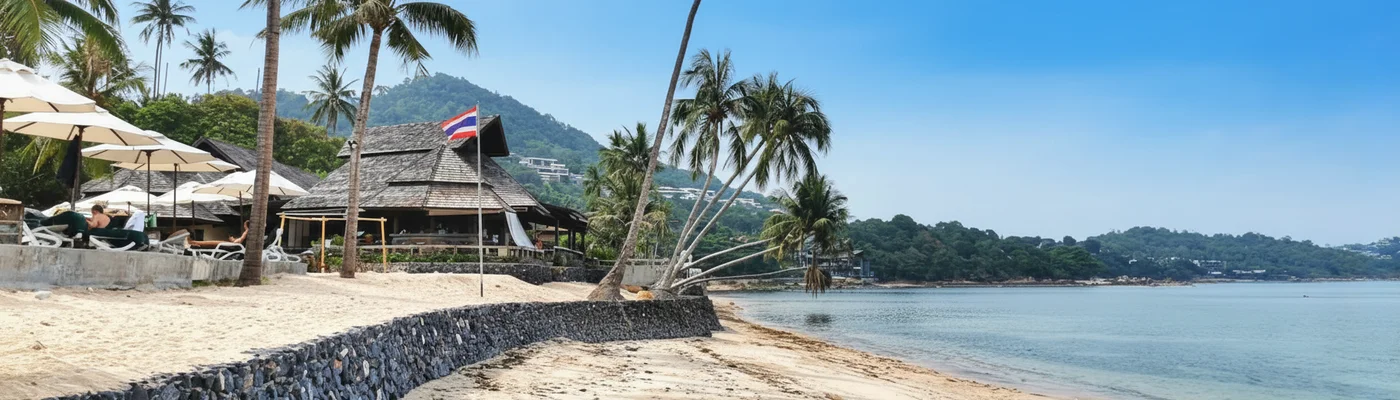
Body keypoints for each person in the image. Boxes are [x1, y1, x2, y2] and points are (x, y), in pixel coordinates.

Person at [185, 221, 250, 249]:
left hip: (230, 245)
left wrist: (246, 228)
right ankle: (192, 242)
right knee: (211, 242)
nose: (244, 225)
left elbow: (242, 239)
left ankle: (192, 242)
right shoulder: (244, 234)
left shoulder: (245, 233)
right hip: (230, 244)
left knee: (211, 243)